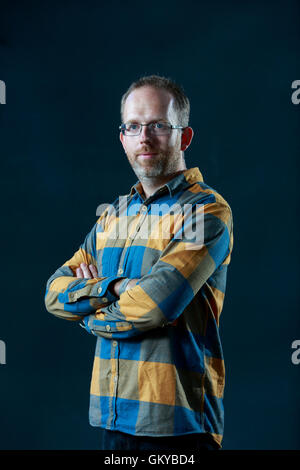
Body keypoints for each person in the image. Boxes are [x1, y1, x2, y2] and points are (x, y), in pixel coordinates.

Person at [45, 75, 233, 451]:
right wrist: (115, 289)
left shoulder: (205, 212)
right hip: (112, 418)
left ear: (184, 137)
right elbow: (53, 293)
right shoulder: (112, 216)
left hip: (179, 427)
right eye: (133, 126)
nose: (144, 137)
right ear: (122, 138)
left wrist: (87, 311)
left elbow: (154, 306)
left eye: (158, 125)